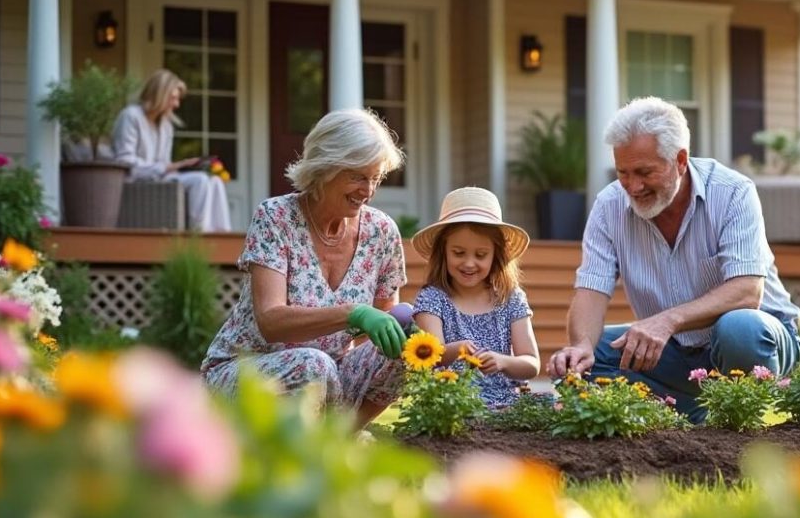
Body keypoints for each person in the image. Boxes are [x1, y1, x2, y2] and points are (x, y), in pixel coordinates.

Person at [547, 96, 800, 423]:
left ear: (680, 160)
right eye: (623, 172)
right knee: (578, 364)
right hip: (676, 351)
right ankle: (684, 415)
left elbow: (746, 293)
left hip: (755, 340)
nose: (632, 186)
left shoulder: (733, 192)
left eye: (644, 172)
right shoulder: (608, 205)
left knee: (739, 328)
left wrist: (666, 320)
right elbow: (591, 290)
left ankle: (734, 418)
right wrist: (581, 344)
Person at [200, 108, 410, 426]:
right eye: (357, 176)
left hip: (329, 378)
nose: (368, 191)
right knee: (313, 365)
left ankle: (337, 443)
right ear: (324, 167)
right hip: (246, 371)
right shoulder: (275, 218)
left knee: (406, 351)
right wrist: (352, 313)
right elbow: (270, 320)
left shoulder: (381, 232)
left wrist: (403, 328)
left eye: (375, 178)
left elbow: (382, 329)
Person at [410, 187, 541, 408]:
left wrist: (503, 361)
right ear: (443, 252)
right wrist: (457, 349)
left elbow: (531, 363)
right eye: (459, 253)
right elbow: (432, 355)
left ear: (496, 255)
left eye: (480, 255)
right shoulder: (432, 299)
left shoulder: (510, 298)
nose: (469, 263)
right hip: (450, 403)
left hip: (505, 404)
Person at [111, 69, 231, 232]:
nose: (176, 104)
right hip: (136, 183)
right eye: (173, 98)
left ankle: (222, 235)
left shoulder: (166, 125)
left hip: (160, 180)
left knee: (214, 180)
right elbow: (124, 161)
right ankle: (200, 235)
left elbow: (164, 165)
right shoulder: (131, 116)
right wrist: (170, 166)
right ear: (159, 94)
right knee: (200, 181)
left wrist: (184, 166)